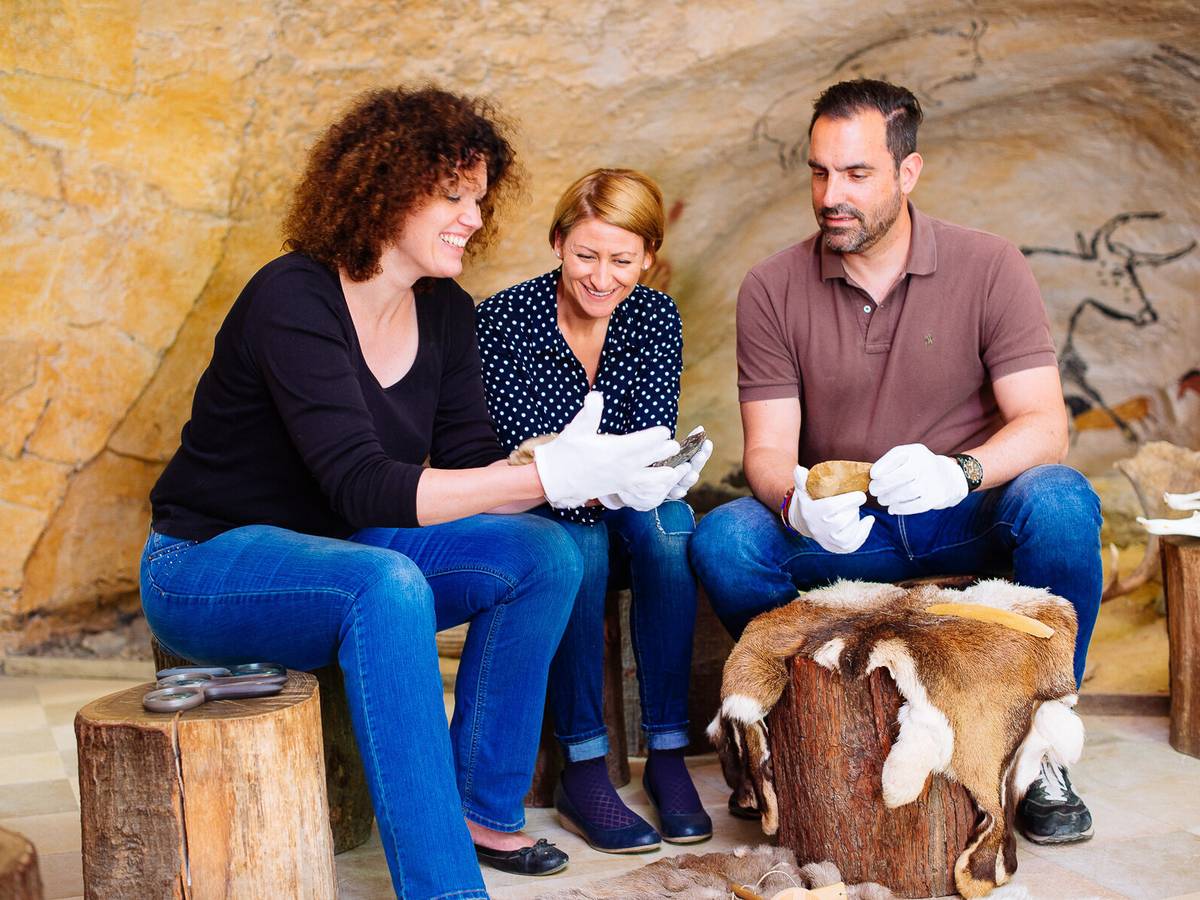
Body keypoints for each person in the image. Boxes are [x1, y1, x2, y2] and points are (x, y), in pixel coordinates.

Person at [139, 88, 683, 898]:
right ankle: (443, 886)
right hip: (206, 561)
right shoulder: (292, 297)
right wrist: (543, 475)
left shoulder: (447, 312)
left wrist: (577, 466)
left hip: (344, 547)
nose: (473, 217)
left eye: (479, 198)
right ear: (386, 190)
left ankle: (479, 808)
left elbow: (469, 469)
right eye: (453, 196)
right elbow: (362, 483)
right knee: (385, 584)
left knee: (545, 551)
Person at [690, 79, 1101, 846]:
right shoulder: (772, 287)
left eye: (856, 173)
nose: (831, 196)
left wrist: (960, 472)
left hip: (965, 513)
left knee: (1060, 499)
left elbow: (1047, 426)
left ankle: (1042, 742)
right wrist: (796, 502)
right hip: (852, 528)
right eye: (819, 173)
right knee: (725, 538)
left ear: (908, 172)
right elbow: (768, 451)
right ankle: (794, 732)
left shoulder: (989, 265)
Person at [475, 168, 715, 853]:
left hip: (619, 493)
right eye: (586, 255)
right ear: (558, 242)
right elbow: (526, 455)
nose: (602, 277)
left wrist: (651, 471)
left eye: (621, 260)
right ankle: (583, 767)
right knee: (576, 543)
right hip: (541, 498)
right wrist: (593, 474)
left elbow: (651, 434)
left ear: (648, 257)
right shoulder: (502, 319)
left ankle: (667, 752)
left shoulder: (656, 316)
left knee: (671, 529)